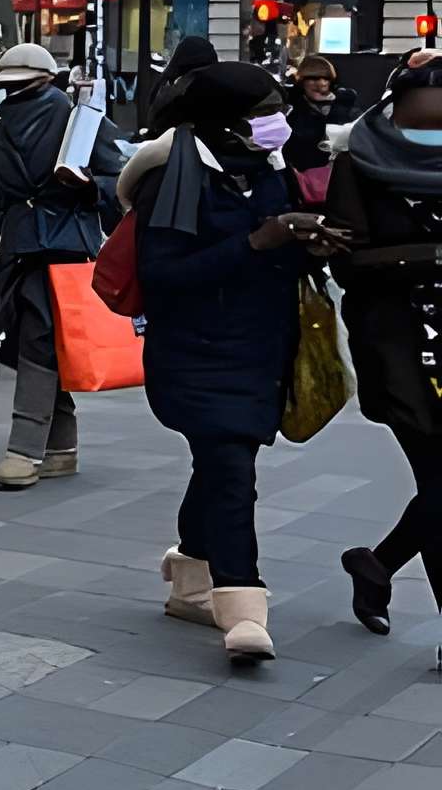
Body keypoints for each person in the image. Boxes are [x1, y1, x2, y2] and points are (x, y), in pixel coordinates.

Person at [122, 62, 321, 662]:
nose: (276, 122)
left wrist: (308, 244)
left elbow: (279, 259)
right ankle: (243, 608)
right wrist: (255, 242)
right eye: (265, 112)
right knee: (233, 469)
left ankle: (189, 579)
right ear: (226, 122)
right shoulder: (171, 180)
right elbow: (161, 276)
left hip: (261, 345)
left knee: (220, 464)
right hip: (194, 352)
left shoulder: (269, 175)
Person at [0, 42, 125, 489]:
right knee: (41, 340)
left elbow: (120, 181)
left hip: (64, 244)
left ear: (47, 79)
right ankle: (60, 446)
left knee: (38, 340)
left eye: (21, 85)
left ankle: (24, 450)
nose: (13, 94)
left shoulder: (82, 121)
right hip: (23, 243)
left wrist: (88, 186)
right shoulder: (4, 125)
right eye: (8, 87)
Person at [324, 64, 442, 641]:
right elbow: (347, 261)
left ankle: (377, 566)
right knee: (438, 473)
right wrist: (431, 259)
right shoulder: (358, 164)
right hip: (396, 340)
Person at [286, 52, 344, 193]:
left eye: (325, 78)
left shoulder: (346, 108)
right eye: (313, 78)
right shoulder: (291, 111)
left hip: (337, 183)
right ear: (302, 82)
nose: (321, 84)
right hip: (300, 182)